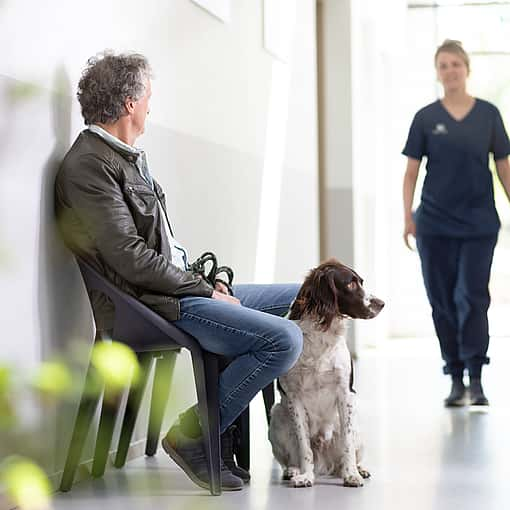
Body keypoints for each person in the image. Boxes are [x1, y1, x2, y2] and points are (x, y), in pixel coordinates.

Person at [55, 51, 303, 491]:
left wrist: (210, 283)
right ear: (130, 103)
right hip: (154, 305)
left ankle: (237, 431)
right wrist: (205, 293)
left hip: (176, 290)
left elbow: (163, 248)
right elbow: (131, 260)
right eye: (148, 96)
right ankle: (194, 434)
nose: (151, 105)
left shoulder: (124, 157)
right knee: (284, 339)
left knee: (303, 296)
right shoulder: (89, 164)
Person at [402, 39, 510, 407]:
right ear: (437, 72)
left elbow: (504, 168)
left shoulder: (489, 115)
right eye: (443, 65)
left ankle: (476, 376)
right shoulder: (426, 118)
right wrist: (407, 218)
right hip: (434, 225)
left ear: (467, 69)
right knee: (442, 302)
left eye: (456, 64)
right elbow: (411, 173)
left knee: (473, 297)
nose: (450, 71)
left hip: (479, 223)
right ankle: (455, 375)